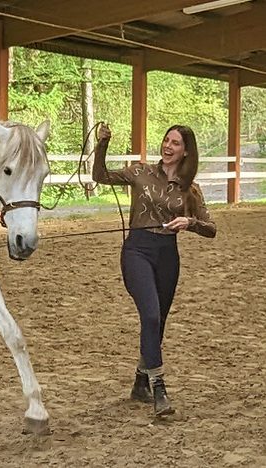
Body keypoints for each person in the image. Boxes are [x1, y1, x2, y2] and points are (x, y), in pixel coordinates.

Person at [93, 124, 216, 416]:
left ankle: (139, 381)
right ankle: (158, 385)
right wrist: (103, 145)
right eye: (166, 140)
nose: (168, 146)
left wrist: (189, 223)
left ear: (186, 150)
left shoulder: (189, 190)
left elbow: (211, 229)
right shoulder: (140, 172)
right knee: (149, 314)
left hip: (168, 255)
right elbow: (100, 176)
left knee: (157, 322)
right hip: (137, 250)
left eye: (175, 143)